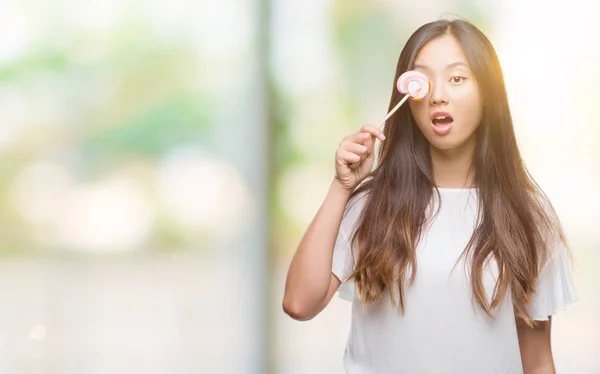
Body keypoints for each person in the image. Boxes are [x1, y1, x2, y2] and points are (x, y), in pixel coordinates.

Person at [282, 18, 578, 373]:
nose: (439, 95)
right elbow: (299, 303)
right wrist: (342, 188)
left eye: (457, 78)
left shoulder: (526, 213)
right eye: (426, 80)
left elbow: (538, 361)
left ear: (488, 93)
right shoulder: (373, 203)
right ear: (409, 97)